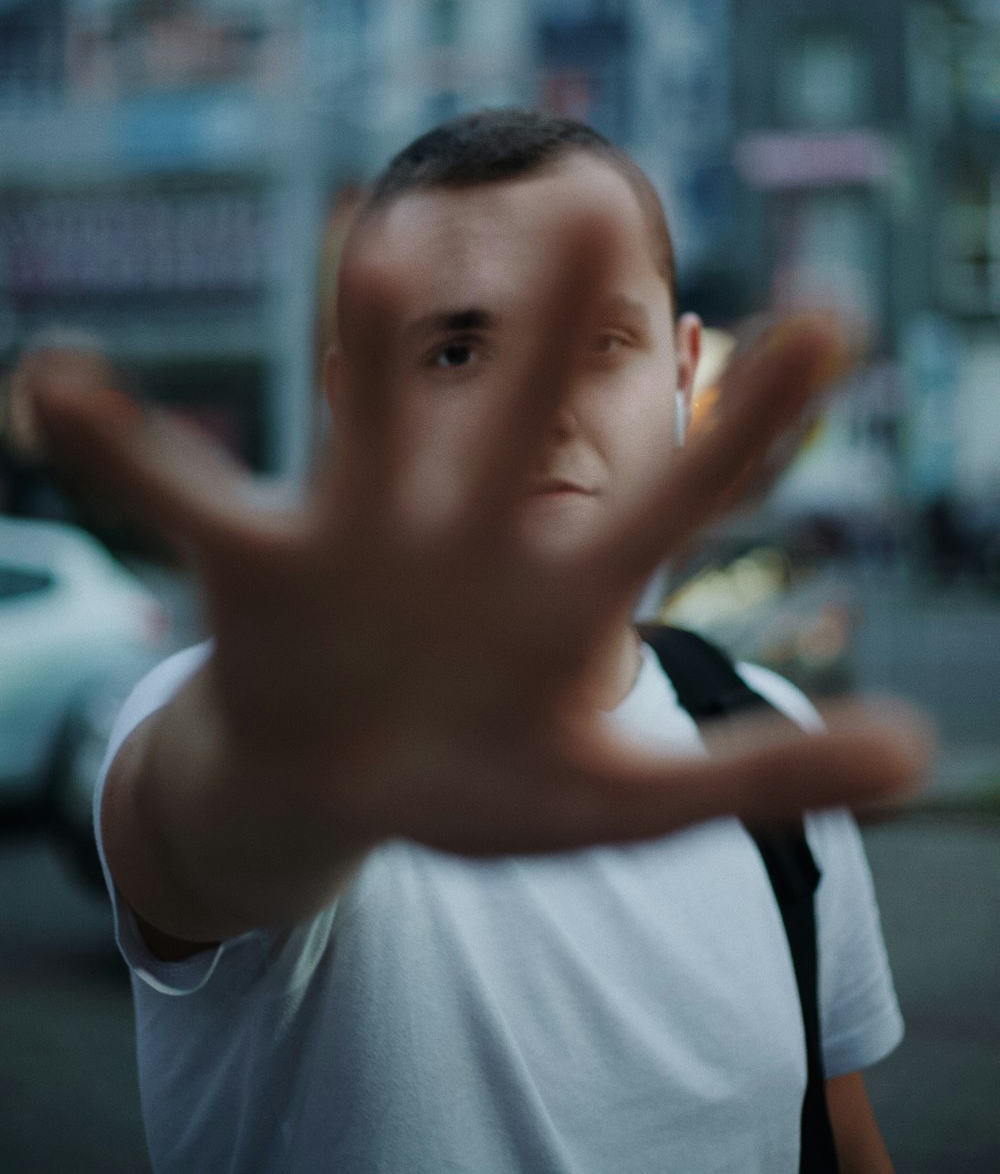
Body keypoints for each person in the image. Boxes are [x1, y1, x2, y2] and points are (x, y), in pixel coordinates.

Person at [32, 110, 930, 1174]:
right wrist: (299, 762)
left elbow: (841, 1135)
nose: (542, 406)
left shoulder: (758, 736)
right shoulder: (267, 718)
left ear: (684, 374)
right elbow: (199, 833)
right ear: (353, 403)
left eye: (600, 340)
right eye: (457, 349)